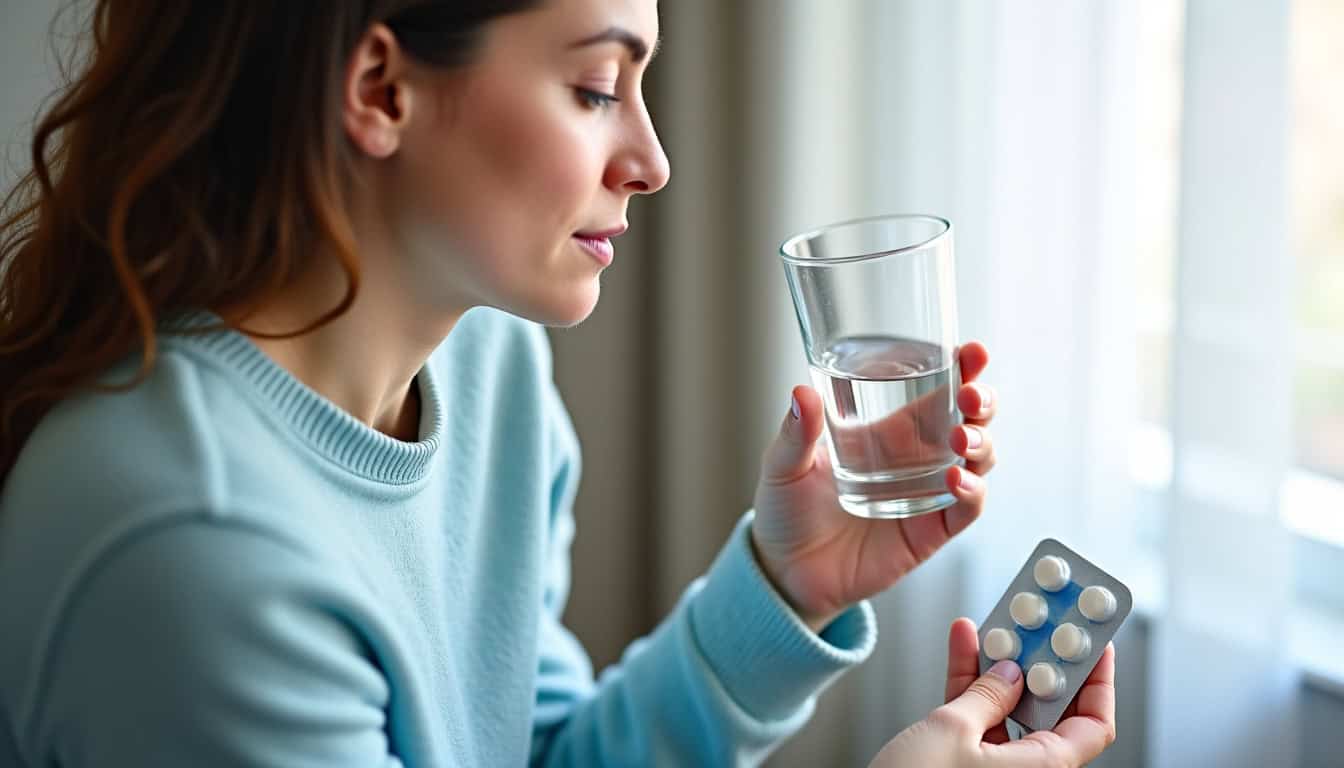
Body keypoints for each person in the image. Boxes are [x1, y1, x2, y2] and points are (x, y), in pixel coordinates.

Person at [0, 1, 1115, 765]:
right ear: (381, 88)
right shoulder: (192, 541)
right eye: (595, 87)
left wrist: (788, 586)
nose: (653, 159)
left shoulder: (490, 368)